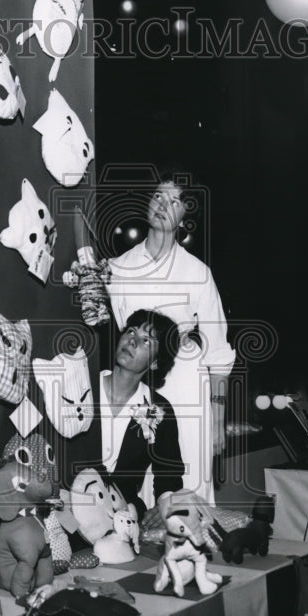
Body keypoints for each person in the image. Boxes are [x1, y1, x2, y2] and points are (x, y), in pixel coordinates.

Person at [105, 174, 235, 504]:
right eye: (158, 197)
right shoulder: (118, 269)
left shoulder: (198, 273)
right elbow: (120, 335)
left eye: (174, 201)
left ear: (183, 219)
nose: (163, 205)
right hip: (140, 389)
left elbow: (218, 355)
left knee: (189, 484)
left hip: (187, 389)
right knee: (138, 491)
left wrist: (217, 423)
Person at [99, 308, 185, 519]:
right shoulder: (83, 385)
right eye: (130, 331)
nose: (132, 341)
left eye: (146, 340)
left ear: (155, 362)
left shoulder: (160, 410)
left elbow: (168, 474)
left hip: (124, 515)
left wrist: (164, 506)